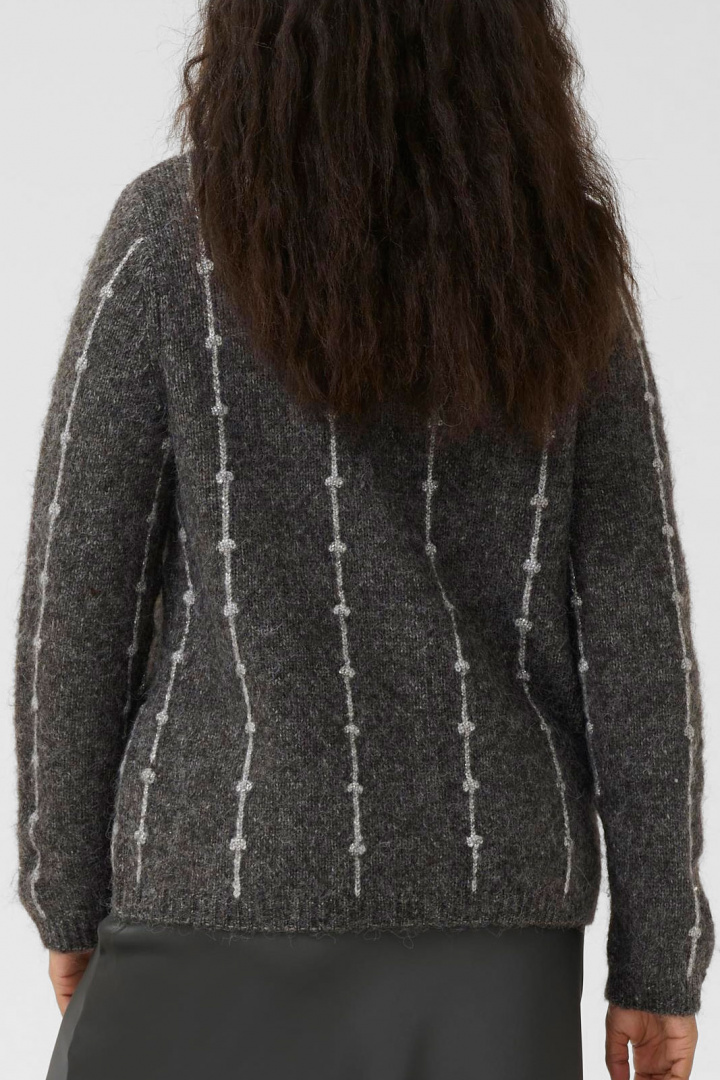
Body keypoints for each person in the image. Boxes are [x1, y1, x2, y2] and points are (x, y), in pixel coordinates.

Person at [13, 2, 713, 1078]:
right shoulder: (559, 256)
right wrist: (659, 957)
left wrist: (64, 892)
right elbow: (635, 631)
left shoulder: (170, 238)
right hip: (493, 928)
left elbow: (79, 601)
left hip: (215, 893)